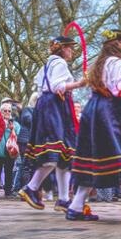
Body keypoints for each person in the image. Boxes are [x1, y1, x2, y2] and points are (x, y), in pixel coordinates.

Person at [67, 29, 121, 222]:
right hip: (112, 113)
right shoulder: (116, 62)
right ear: (115, 43)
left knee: (94, 159)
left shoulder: (101, 63)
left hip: (95, 110)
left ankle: (76, 206)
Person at [20, 36, 86, 211]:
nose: (72, 51)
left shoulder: (48, 64)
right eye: (70, 48)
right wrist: (79, 83)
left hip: (50, 105)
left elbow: (40, 82)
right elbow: (57, 86)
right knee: (55, 149)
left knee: (64, 153)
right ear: (62, 48)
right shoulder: (60, 64)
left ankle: (63, 199)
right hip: (54, 107)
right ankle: (31, 187)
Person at [0, 103, 21, 198]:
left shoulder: (15, 123)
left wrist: (12, 129)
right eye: (5, 110)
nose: (7, 112)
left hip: (10, 151)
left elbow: (18, 135)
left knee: (9, 171)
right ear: (1, 111)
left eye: (9, 111)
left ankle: (8, 191)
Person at [14, 92, 37, 192]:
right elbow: (28, 120)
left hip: (32, 141)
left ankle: (19, 187)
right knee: (26, 165)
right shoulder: (28, 110)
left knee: (27, 165)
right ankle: (24, 188)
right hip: (25, 141)